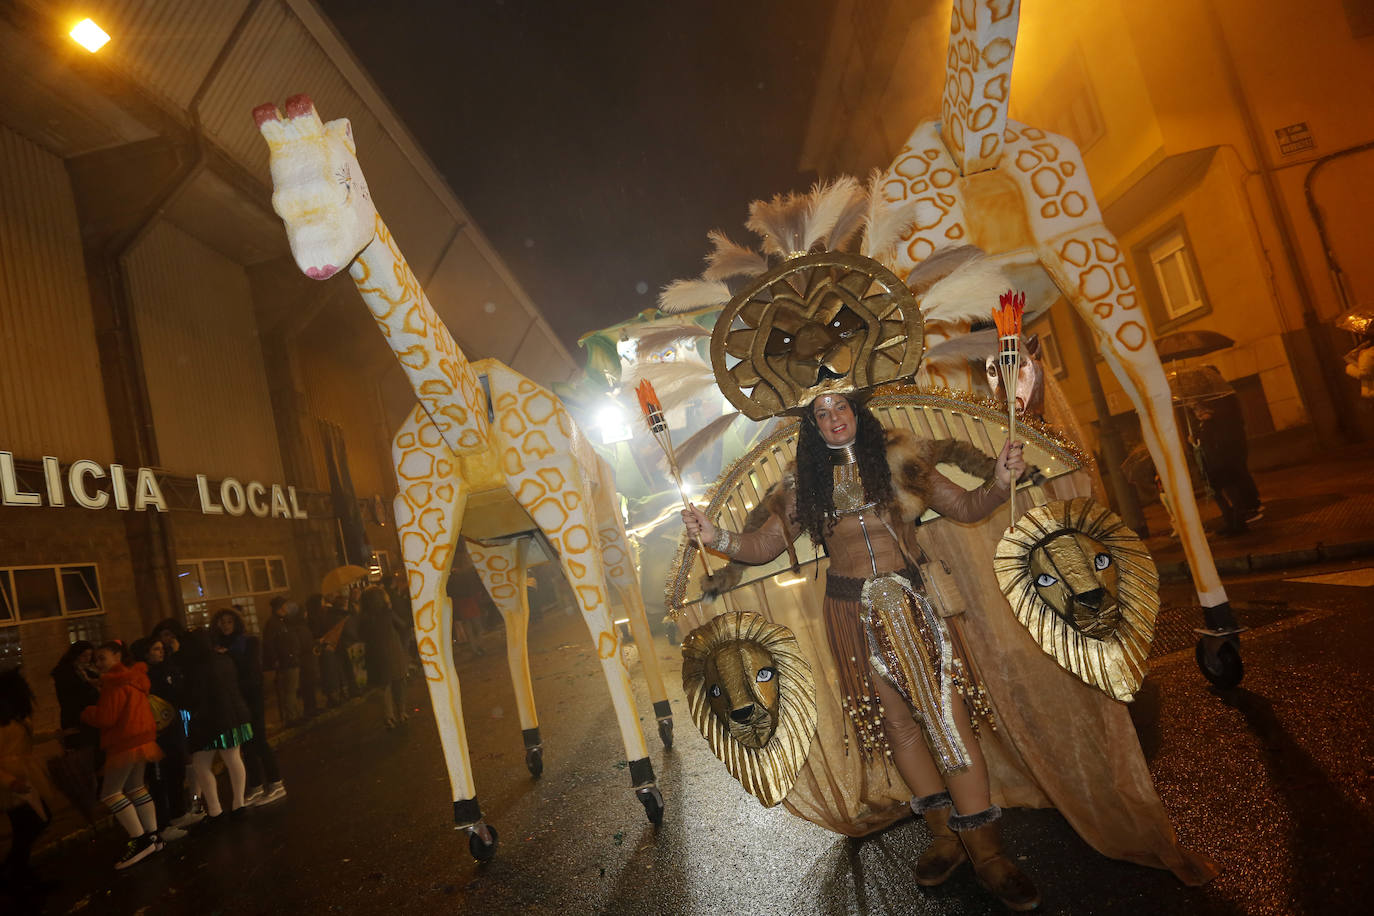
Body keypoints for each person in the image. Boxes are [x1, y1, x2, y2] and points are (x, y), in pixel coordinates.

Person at [683, 391, 1040, 909]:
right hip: (852, 613)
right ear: (813, 427)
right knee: (896, 723)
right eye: (821, 415)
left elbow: (966, 506)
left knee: (949, 719)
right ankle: (944, 837)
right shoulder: (804, 485)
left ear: (857, 413)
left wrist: (1002, 479)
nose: (833, 420)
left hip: (915, 603)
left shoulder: (903, 460)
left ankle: (986, 854)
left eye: (840, 409)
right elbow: (761, 548)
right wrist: (716, 535)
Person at [80, 641, 164, 869]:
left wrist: (88, 712)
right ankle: (153, 836)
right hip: (142, 739)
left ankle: (139, 840)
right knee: (137, 788)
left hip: (124, 741)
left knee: (110, 793)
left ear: (117, 656)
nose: (98, 663)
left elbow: (106, 718)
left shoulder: (113, 683)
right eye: (96, 659)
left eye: (102, 658)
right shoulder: (134, 677)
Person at [211, 608, 286, 806]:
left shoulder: (249, 642)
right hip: (234, 702)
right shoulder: (217, 646)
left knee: (259, 739)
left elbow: (252, 672)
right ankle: (255, 785)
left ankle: (276, 782)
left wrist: (230, 656)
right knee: (246, 744)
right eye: (222, 622)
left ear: (236, 623)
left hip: (251, 698)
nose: (225, 625)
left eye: (229, 621)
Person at [180, 629, 252, 822]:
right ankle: (239, 804)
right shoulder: (225, 660)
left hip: (208, 724)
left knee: (201, 765)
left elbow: (191, 698)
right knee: (233, 759)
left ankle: (214, 810)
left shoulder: (194, 668)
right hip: (235, 717)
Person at [1, 667, 56, 894]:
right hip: (11, 780)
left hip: (24, 773)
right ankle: (15, 872)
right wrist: (10, 781)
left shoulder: (13, 713)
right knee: (33, 822)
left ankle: (17, 874)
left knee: (31, 824)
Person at [132, 637, 189, 834]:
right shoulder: (141, 675)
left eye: (161, 649)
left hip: (172, 729)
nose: (161, 652)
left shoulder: (168, 669)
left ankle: (178, 813)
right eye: (156, 649)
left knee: (176, 770)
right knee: (158, 779)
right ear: (146, 653)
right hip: (154, 734)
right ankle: (163, 825)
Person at [1190, 394, 1262, 535]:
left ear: (1210, 409)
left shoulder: (1218, 423)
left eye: (1201, 409)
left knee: (1233, 495)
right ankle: (1229, 522)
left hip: (1223, 465)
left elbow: (1218, 444)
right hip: (1211, 467)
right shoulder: (1202, 426)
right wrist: (1194, 442)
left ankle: (1239, 525)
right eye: (1196, 410)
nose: (1198, 413)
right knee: (1218, 496)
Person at [358, 586, 409, 730]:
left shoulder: (364, 617)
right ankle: (402, 712)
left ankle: (388, 717)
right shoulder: (387, 613)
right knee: (399, 682)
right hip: (393, 651)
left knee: (384, 686)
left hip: (375, 654)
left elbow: (361, 635)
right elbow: (402, 625)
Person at [49, 642, 99, 754]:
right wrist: (90, 685)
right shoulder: (64, 672)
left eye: (90, 655)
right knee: (81, 750)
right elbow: (72, 693)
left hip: (89, 715)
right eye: (84, 655)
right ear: (76, 655)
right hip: (74, 716)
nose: (87, 659)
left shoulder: (86, 670)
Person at [261, 597, 303, 725]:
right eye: (284, 606)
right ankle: (291, 717)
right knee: (289, 690)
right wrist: (276, 659)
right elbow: (269, 644)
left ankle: (295, 714)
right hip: (286, 661)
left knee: (293, 689)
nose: (286, 608)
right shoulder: (273, 624)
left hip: (291, 660)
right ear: (278, 608)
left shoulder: (283, 621)